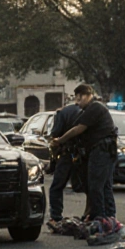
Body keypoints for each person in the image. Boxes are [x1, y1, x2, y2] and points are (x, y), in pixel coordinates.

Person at [51, 84, 118, 220]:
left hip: (101, 151)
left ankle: (100, 218)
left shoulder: (95, 107)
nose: (77, 103)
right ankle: (108, 218)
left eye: (79, 99)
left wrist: (60, 141)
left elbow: (78, 129)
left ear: (87, 95)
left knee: (96, 186)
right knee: (104, 186)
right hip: (102, 150)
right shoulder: (87, 110)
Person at [45, 98, 83, 231]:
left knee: (57, 186)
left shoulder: (62, 113)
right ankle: (93, 216)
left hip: (67, 154)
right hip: (85, 154)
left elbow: (55, 134)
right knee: (90, 187)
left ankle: (55, 217)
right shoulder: (88, 111)